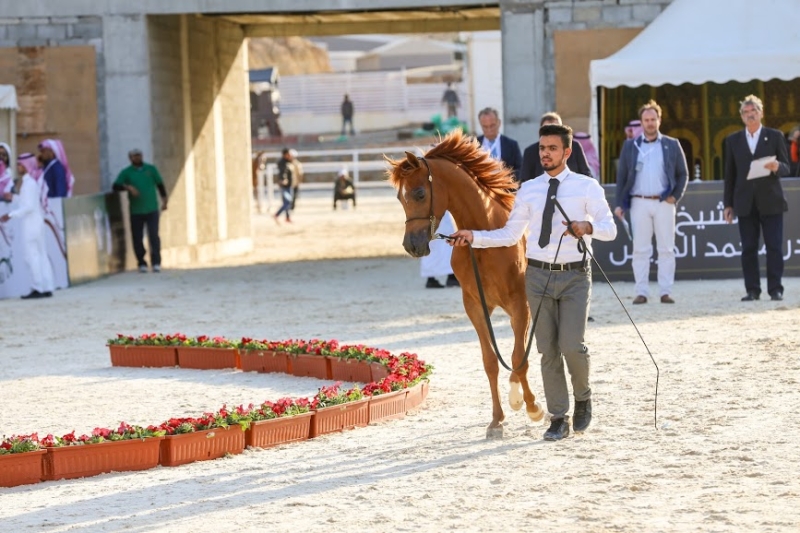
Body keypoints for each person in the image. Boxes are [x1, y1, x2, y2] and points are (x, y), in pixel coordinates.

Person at [449, 123, 617, 441]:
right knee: (547, 350)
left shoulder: (587, 187)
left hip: (575, 275)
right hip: (538, 275)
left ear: (567, 152)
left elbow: (611, 229)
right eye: (542, 148)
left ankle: (583, 396)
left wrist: (587, 225)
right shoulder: (529, 189)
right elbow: (510, 234)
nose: (545, 154)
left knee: (572, 346)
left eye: (552, 148)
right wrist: (474, 236)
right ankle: (558, 417)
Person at [614, 100, 689, 305]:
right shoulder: (630, 146)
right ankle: (642, 292)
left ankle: (665, 291)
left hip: (664, 201)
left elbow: (683, 174)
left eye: (653, 119)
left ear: (659, 120)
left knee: (666, 248)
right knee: (640, 249)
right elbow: (621, 177)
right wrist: (620, 203)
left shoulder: (672, 144)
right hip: (638, 202)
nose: (650, 123)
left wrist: (675, 196)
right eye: (646, 120)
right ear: (641, 122)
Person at [723, 94, 791, 301]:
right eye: (746, 113)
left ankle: (775, 289)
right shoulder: (733, 140)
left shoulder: (775, 135)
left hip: (771, 201)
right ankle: (752, 290)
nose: (750, 116)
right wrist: (728, 204)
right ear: (741, 116)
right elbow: (730, 175)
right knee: (749, 248)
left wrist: (777, 166)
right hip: (745, 203)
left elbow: (787, 167)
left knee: (774, 246)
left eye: (754, 112)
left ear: (761, 113)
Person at [0, 153, 55, 299]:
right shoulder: (29, 183)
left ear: (27, 165)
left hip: (31, 224)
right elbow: (26, 202)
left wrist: (10, 215)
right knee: (41, 254)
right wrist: (14, 198)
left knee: (32, 256)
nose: (18, 167)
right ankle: (46, 286)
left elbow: (28, 207)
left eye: (21, 164)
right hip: (36, 223)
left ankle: (38, 287)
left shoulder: (29, 183)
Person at [112, 149, 168, 273]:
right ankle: (141, 262)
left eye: (139, 155)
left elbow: (160, 185)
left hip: (151, 208)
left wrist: (164, 200)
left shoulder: (151, 169)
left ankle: (156, 262)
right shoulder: (126, 172)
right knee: (137, 237)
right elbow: (115, 186)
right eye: (134, 156)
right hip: (136, 210)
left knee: (154, 235)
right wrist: (128, 187)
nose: (137, 158)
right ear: (130, 158)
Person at [520, 112, 592, 183]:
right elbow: (524, 179)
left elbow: (586, 173)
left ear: (567, 152)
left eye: (556, 130)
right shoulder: (530, 151)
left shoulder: (575, 146)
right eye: (547, 130)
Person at [476, 107, 522, 182]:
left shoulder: (511, 145)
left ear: (499, 123)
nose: (489, 130)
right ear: (480, 125)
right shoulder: (473, 145)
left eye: (492, 126)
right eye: (485, 127)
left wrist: (503, 174)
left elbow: (521, 170)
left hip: (505, 189)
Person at [421, 210, 458, 289]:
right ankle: (451, 277)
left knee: (430, 244)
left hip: (424, 212)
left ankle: (431, 278)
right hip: (438, 212)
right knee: (446, 242)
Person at [273, 148, 295, 224]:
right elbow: (283, 172)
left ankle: (287, 217)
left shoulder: (288, 162)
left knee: (286, 202)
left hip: (288, 185)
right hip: (285, 186)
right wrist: (284, 179)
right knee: (288, 201)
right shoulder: (283, 163)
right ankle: (277, 214)